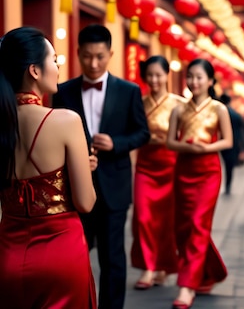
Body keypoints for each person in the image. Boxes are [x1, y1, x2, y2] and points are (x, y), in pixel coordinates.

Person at [52, 24, 150, 309]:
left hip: (114, 186)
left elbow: (142, 133)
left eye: (100, 57)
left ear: (111, 54)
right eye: (87, 57)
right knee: (75, 256)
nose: (93, 64)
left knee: (113, 259)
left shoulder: (129, 90)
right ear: (78, 53)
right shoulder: (63, 92)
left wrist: (117, 143)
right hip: (75, 187)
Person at [0, 27, 97, 307]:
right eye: (54, 59)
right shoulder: (66, 120)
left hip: (8, 254)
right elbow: (85, 202)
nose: (57, 66)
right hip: (61, 254)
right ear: (34, 70)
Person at [166, 58, 232, 308]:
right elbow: (170, 142)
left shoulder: (219, 109)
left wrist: (206, 148)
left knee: (197, 224)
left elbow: (227, 141)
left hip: (208, 172)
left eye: (199, 77)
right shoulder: (178, 109)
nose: (194, 81)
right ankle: (210, 271)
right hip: (183, 170)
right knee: (183, 227)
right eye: (190, 77)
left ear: (211, 81)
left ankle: (187, 286)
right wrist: (186, 147)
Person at [131, 55, 185, 290]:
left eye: (158, 74)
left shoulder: (179, 104)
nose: (154, 79)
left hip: (172, 167)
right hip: (145, 167)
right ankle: (148, 266)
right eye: (150, 75)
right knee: (143, 218)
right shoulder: (138, 103)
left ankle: (163, 265)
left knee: (167, 221)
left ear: (167, 75)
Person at [219, 92, 244, 195]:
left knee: (223, 164)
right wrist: (243, 147)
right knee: (229, 166)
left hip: (219, 142)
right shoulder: (236, 115)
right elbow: (242, 133)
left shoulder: (219, 113)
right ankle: (228, 185)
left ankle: (224, 184)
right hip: (234, 143)